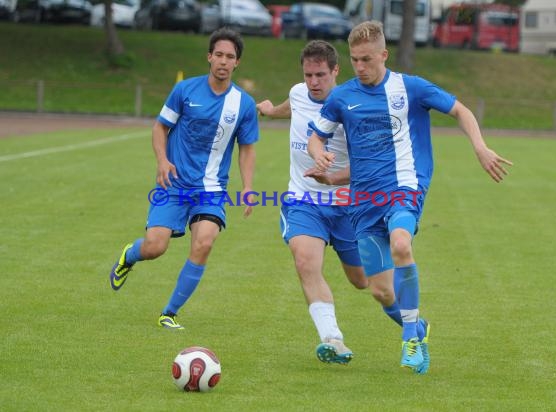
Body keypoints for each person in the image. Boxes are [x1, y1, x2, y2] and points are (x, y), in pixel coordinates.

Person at [307, 21, 512, 374]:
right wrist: (318, 155)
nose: (360, 66)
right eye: (355, 60)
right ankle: (417, 326)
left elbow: (460, 110)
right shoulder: (342, 97)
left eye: (367, 59)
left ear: (384, 55)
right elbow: (317, 136)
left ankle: (411, 342)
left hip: (405, 188)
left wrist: (480, 146)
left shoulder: (411, 88)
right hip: (363, 202)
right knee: (381, 293)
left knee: (402, 245)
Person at [257, 40, 420, 365]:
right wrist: (270, 111)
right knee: (306, 263)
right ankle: (333, 339)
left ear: (336, 72)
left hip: (351, 206)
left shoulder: (354, 104)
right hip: (304, 201)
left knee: (369, 285)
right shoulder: (299, 91)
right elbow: (293, 103)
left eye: (320, 75)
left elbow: (367, 166)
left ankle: (414, 328)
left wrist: (332, 176)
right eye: (308, 75)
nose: (313, 82)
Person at [109, 27, 259, 330]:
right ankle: (130, 255)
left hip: (211, 189)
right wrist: (162, 160)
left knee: (204, 243)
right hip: (174, 184)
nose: (223, 61)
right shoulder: (185, 90)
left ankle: (169, 312)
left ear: (237, 63)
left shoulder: (243, 104)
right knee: (155, 247)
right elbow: (159, 127)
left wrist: (247, 187)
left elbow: (247, 149)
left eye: (230, 57)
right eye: (219, 54)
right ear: (209, 56)